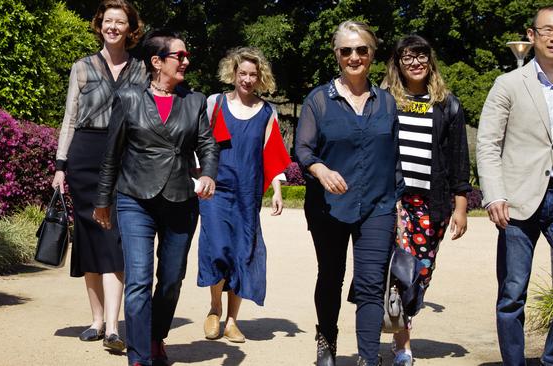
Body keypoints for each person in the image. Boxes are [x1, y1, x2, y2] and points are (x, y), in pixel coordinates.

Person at [476, 5, 553, 365]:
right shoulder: (508, 84)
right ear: (532, 35)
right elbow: (488, 143)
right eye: (548, 30)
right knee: (512, 292)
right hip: (517, 201)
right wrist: (494, 193)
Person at [93, 29, 219, 366]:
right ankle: (139, 356)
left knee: (172, 280)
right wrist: (103, 201)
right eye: (180, 56)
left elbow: (207, 144)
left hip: (180, 200)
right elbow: (111, 154)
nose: (186, 61)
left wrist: (207, 173)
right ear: (156, 62)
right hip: (135, 199)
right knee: (138, 280)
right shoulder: (129, 98)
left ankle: (155, 336)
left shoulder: (194, 101)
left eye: (186, 55)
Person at [295, 20, 404, 366]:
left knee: (372, 284)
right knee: (331, 276)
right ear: (337, 55)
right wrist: (320, 170)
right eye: (346, 50)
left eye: (361, 50)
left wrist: (399, 206)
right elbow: (303, 149)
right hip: (329, 206)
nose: (354, 56)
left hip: (378, 205)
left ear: (372, 54)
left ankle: (368, 359)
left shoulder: (387, 103)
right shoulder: (319, 100)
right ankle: (326, 341)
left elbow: (395, 158)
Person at [51, 0, 146, 352]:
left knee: (116, 236)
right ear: (99, 25)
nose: (113, 27)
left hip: (125, 156)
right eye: (108, 21)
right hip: (85, 155)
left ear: (130, 28)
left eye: (120, 22)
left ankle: (113, 326)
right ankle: (97, 321)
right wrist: (61, 166)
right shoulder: (82, 67)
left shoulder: (141, 70)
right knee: (90, 238)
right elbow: (70, 118)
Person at [380, 35, 471, 366]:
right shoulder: (386, 100)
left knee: (420, 271)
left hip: (432, 204)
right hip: (393, 200)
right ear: (398, 64)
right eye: (407, 57)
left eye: (421, 56)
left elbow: (459, 159)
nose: (415, 62)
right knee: (393, 270)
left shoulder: (447, 104)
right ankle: (403, 343)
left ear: (430, 62)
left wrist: (461, 207)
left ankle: (400, 322)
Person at [198, 47, 291, 343]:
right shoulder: (215, 103)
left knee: (242, 252)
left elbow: (272, 153)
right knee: (216, 249)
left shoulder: (267, 112)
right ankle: (214, 308)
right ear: (233, 74)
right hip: (216, 190)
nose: (247, 79)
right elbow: (200, 143)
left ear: (260, 77)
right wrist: (199, 177)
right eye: (242, 74)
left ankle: (232, 321)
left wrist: (276, 190)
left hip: (248, 192)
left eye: (253, 74)